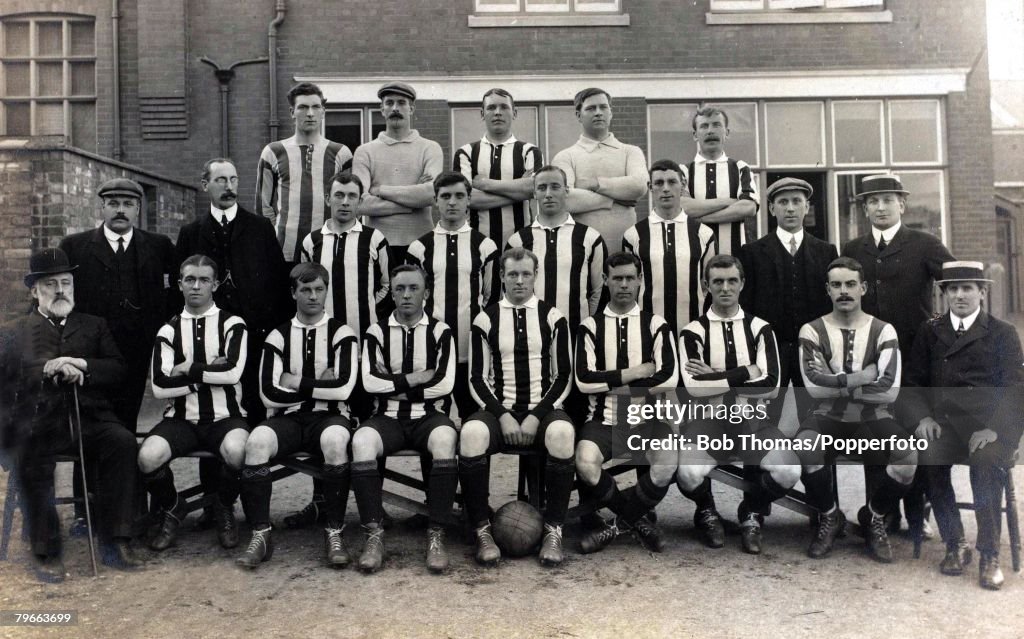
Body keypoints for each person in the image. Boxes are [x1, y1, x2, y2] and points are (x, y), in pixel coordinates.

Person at [0, 249, 142, 582]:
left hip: (89, 419)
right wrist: (46, 369)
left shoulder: (93, 325)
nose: (61, 290)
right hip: (36, 423)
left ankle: (116, 541)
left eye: (66, 282)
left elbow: (119, 369)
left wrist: (83, 366)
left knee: (121, 442)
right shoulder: (13, 330)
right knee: (31, 456)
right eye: (51, 284)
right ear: (35, 291)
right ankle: (45, 550)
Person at [177, 157, 291, 531]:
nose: (229, 186)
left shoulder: (259, 228)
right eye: (220, 179)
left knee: (252, 422)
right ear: (205, 184)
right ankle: (216, 506)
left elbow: (277, 285)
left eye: (234, 179)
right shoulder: (191, 232)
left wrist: (275, 339)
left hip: (255, 343)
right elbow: (182, 295)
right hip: (209, 347)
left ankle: (249, 505)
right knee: (212, 417)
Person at [841, 173, 955, 538]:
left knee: (911, 432)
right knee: (875, 435)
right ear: (864, 209)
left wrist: (938, 326)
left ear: (901, 205)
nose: (880, 207)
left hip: (913, 359)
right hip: (869, 360)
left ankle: (916, 515)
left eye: (887, 200)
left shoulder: (924, 244)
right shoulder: (853, 248)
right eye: (872, 201)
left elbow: (956, 282)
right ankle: (882, 513)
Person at [904, 261, 1024, 590]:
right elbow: (913, 384)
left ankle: (988, 555)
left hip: (988, 427)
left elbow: (1015, 390)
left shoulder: (1002, 332)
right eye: (952, 289)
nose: (959, 295)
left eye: (967, 288)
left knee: (986, 464)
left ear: (981, 292)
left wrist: (995, 429)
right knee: (928, 459)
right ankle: (955, 542)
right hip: (943, 425)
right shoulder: (931, 332)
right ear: (944, 294)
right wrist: (923, 418)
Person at [236, 263, 359, 569]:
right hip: (288, 419)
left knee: (334, 441)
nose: (313, 296)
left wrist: (297, 381)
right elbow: (268, 392)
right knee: (256, 442)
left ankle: (334, 531)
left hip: (331, 417)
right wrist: (321, 384)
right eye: (305, 290)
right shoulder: (278, 335)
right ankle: (261, 533)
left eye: (319, 289)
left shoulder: (342, 332)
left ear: (326, 292)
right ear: (293, 293)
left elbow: (343, 389)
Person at [793, 257, 916, 563]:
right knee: (805, 446)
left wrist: (835, 380)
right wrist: (862, 377)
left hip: (874, 417)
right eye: (836, 285)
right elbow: (814, 389)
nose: (844, 291)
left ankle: (872, 516)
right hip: (827, 415)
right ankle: (830, 515)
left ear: (863, 288)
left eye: (850, 284)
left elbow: (889, 390)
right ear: (828, 290)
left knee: (908, 457)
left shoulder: (884, 330)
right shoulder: (811, 330)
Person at [287, 170, 390, 529]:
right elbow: (307, 288)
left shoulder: (375, 239)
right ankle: (321, 502)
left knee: (370, 423)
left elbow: (385, 288)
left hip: (362, 348)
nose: (345, 202)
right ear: (328, 198)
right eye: (339, 195)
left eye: (351, 196)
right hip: (324, 350)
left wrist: (365, 318)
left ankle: (373, 504)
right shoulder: (312, 241)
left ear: (360, 201)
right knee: (325, 424)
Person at [461, 248, 576, 567]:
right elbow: (476, 377)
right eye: (512, 274)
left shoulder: (553, 317)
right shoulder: (486, 318)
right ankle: (482, 530)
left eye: (526, 274)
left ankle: (554, 529)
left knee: (563, 433)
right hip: (502, 411)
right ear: (501, 277)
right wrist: (503, 416)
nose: (520, 281)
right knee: (470, 433)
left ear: (536, 276)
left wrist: (537, 416)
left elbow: (563, 374)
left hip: (542, 409)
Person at [676, 254, 792, 554]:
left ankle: (751, 511)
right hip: (709, 422)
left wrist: (715, 377)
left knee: (789, 471)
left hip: (754, 422)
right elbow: (694, 388)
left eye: (731, 281)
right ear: (706, 285)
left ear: (742, 284)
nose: (725, 288)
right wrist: (745, 372)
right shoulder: (692, 332)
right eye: (717, 281)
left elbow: (771, 385)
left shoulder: (761, 329)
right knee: (687, 473)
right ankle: (707, 511)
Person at [137, 255, 250, 552]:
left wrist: (187, 368)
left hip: (226, 417)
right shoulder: (168, 330)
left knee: (238, 451)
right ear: (179, 285)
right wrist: (208, 372)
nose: (196, 286)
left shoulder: (233, 324)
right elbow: (160, 386)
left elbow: (235, 372)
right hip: (181, 420)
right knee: (147, 457)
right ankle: (175, 507)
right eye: (189, 279)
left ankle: (224, 507)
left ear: (215, 284)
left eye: (203, 280)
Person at [351, 264, 459, 574]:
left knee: (445, 439)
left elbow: (444, 384)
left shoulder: (441, 331)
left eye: (414, 288)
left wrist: (395, 384)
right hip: (387, 418)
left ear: (426, 292)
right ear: (393, 293)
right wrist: (416, 378)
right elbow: (370, 383)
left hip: (430, 417)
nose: (407, 295)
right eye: (400, 289)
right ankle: (374, 534)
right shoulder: (377, 331)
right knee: (361, 442)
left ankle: (436, 534)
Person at [574, 252, 679, 555]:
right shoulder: (590, 327)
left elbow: (668, 377)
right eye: (616, 278)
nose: (623, 284)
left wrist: (613, 383)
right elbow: (583, 380)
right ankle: (636, 520)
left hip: (648, 419)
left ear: (640, 281)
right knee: (585, 462)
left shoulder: (656, 325)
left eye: (629, 278)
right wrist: (635, 373)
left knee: (666, 463)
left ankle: (616, 526)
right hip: (603, 420)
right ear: (605, 281)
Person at [59, 178, 176, 433]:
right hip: (92, 351)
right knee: (90, 423)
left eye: (128, 203)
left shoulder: (158, 245)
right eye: (113, 203)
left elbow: (179, 286)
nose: (120, 209)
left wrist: (159, 322)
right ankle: (86, 474)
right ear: (102, 208)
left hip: (137, 348)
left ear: (137, 209)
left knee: (127, 420)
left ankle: (126, 473)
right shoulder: (75, 246)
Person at [737, 177, 837, 430]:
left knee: (820, 424)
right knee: (761, 426)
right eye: (783, 202)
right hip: (769, 353)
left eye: (796, 201)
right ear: (771, 209)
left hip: (813, 353)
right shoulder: (752, 253)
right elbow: (746, 310)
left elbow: (831, 308)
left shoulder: (826, 252)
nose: (790, 208)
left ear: (807, 207)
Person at [407, 172, 499, 419]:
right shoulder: (419, 248)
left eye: (459, 196)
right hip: (430, 350)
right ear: (435, 200)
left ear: (469, 200)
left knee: (473, 422)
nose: (452, 202)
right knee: (431, 420)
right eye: (445, 196)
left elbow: (491, 298)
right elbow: (412, 301)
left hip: (471, 351)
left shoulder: (485, 246)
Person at [255, 82, 353, 264]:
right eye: (303, 107)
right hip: (285, 251)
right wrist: (274, 238)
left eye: (316, 107)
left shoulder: (341, 153)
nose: (310, 113)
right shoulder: (273, 151)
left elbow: (351, 203)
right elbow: (263, 206)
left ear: (323, 111)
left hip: (329, 247)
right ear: (292, 112)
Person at [352, 81, 444, 266]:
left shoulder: (430, 148)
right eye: (389, 103)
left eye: (401, 102)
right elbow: (360, 203)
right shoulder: (365, 151)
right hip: (376, 243)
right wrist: (412, 200)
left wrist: (381, 190)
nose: (395, 108)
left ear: (411, 108)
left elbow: (430, 195)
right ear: (382, 109)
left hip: (421, 241)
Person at [623, 159, 716, 336]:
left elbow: (709, 285)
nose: (665, 188)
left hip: (693, 329)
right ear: (650, 187)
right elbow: (630, 287)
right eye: (659, 183)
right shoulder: (633, 235)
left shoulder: (704, 234)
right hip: (647, 331)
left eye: (672, 182)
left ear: (682, 185)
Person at [552, 87, 648, 250]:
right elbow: (566, 199)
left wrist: (595, 184)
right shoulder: (565, 157)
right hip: (581, 249)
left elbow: (639, 185)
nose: (598, 112)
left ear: (611, 113)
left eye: (603, 107)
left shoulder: (630, 152)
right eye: (590, 108)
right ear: (578, 115)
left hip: (624, 249)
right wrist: (615, 199)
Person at [453, 88, 543, 249]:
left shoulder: (529, 151)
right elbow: (466, 199)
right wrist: (519, 191)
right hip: (476, 244)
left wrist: (486, 184)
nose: (497, 112)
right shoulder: (465, 153)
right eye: (491, 108)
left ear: (514, 113)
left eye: (504, 107)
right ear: (482, 114)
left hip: (521, 244)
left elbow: (534, 188)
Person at [682, 106, 759, 255]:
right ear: (695, 135)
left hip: (733, 258)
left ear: (727, 132)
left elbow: (748, 208)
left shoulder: (740, 168)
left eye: (716, 125)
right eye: (704, 126)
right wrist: (730, 201)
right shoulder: (683, 171)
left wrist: (701, 218)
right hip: (694, 259)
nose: (710, 130)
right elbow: (683, 208)